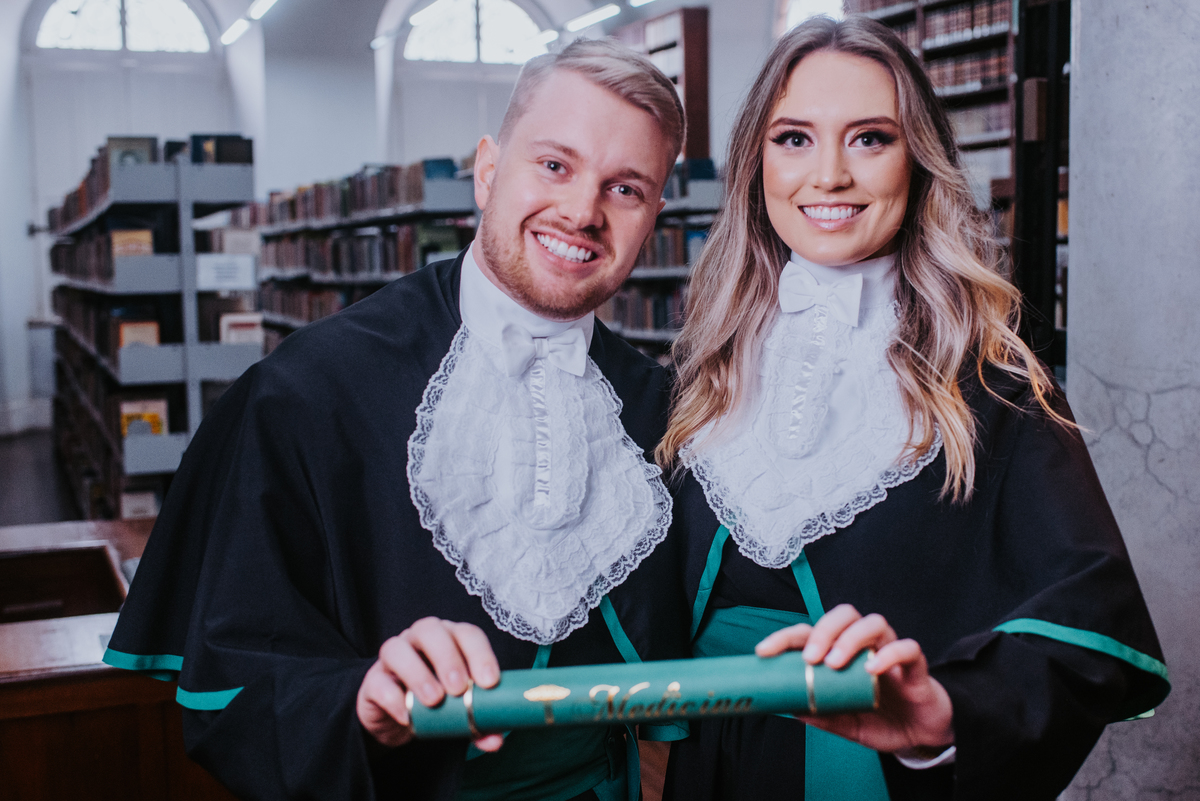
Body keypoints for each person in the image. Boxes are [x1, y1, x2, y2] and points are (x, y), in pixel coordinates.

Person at [103, 39, 692, 801]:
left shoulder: (661, 410)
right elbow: (239, 674)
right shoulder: (308, 390)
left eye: (626, 188)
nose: (582, 211)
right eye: (554, 164)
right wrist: (361, 700)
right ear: (488, 170)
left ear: (654, 216)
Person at [656, 17, 1169, 801]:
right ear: (756, 163)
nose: (829, 175)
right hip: (704, 768)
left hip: (869, 776)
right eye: (794, 139)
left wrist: (944, 713)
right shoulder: (704, 368)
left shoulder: (992, 386)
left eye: (870, 139)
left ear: (919, 162)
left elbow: (1096, 623)